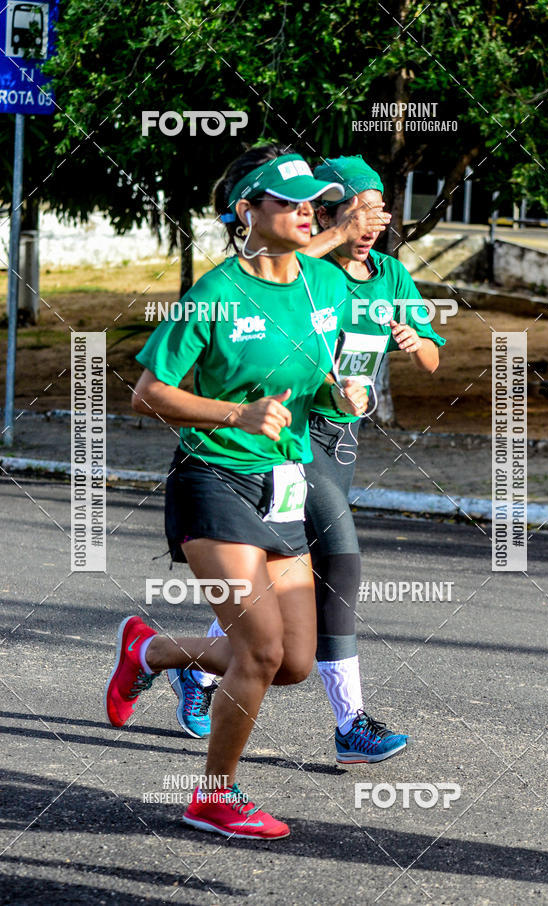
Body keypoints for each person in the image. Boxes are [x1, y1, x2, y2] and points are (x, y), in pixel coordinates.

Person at [104, 144, 368, 840]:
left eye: (313, 201)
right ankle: (214, 796)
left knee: (294, 663)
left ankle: (153, 652)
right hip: (213, 477)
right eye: (289, 202)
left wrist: (343, 392)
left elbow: (327, 380)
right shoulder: (216, 295)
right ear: (246, 211)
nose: (308, 211)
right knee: (256, 650)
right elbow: (146, 394)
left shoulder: (328, 285)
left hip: (283, 483)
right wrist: (235, 414)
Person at [178, 155, 446, 764]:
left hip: (343, 439)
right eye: (363, 207)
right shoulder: (302, 270)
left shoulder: (390, 276)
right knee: (342, 559)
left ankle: (186, 665)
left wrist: (415, 339)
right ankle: (350, 723)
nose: (375, 220)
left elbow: (433, 357)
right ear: (331, 211)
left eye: (382, 208)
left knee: (276, 578)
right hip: (295, 437)